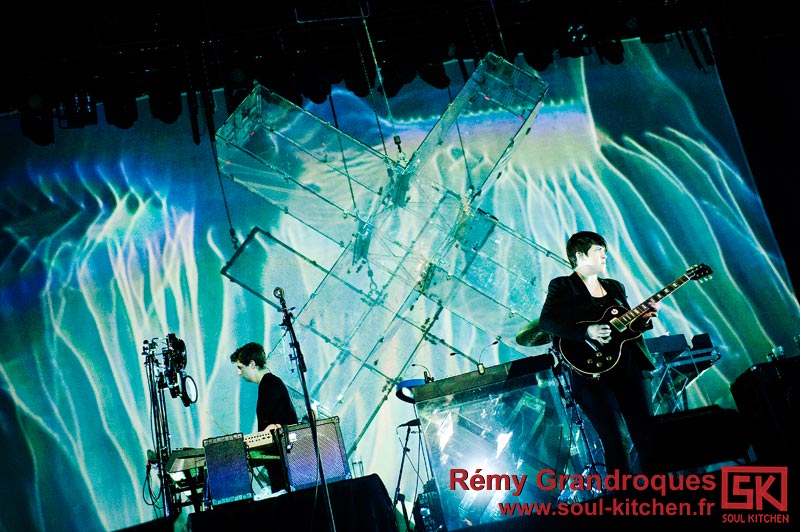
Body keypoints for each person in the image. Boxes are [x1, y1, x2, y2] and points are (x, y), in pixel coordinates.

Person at [537, 231, 658, 477]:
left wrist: (642, 320)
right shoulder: (563, 285)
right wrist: (586, 331)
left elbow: (625, 329)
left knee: (648, 433)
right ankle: (622, 502)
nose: (605, 255)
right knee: (616, 440)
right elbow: (547, 322)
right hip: (592, 376)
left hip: (630, 368)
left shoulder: (615, 287)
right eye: (599, 250)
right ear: (579, 255)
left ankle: (660, 494)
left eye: (605, 250)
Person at [230, 342, 299, 493]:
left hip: (284, 468)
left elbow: (273, 429)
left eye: (240, 367)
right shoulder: (270, 384)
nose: (239, 373)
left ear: (252, 364)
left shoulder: (269, 384)